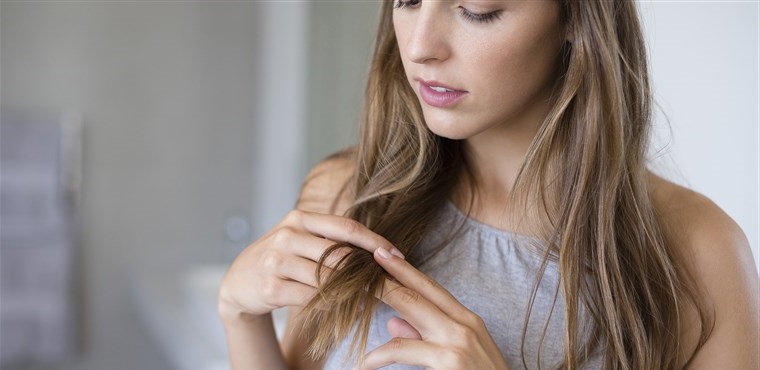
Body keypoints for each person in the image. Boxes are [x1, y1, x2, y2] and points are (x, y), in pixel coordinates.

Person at [218, 1, 759, 369]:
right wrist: (240, 316)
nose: (421, 47)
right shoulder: (349, 194)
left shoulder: (698, 253)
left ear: (575, 16)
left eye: (477, 10)